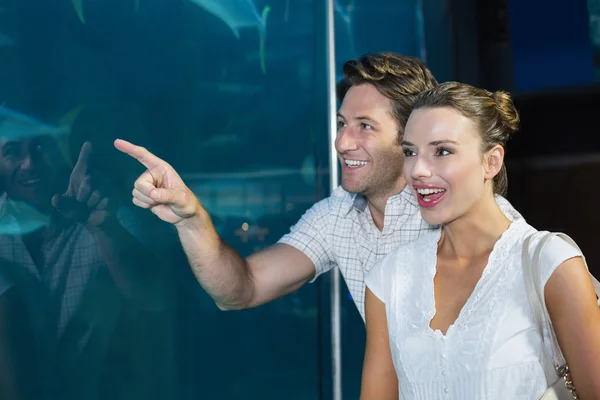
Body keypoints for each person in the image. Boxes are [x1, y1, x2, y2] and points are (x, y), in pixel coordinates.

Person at [113, 52, 518, 320]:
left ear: (410, 134)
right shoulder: (336, 215)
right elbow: (240, 290)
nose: (343, 143)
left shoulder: (461, 210)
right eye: (342, 124)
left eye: (365, 127)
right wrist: (190, 217)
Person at [361, 81, 600, 399]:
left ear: (491, 162)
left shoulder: (550, 263)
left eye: (442, 151)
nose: (417, 169)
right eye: (410, 152)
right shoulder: (389, 278)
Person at [0, 132, 174, 400]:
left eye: (40, 146)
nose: (29, 163)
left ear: (62, 151)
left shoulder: (106, 215)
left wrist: (105, 229)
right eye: (12, 151)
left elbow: (154, 295)